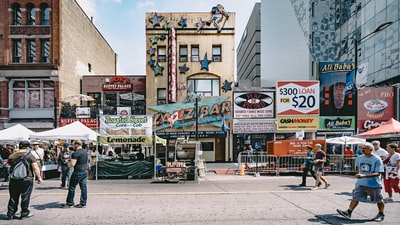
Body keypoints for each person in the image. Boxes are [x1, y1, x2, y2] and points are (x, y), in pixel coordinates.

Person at [337, 142, 385, 222]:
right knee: (355, 197)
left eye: (365, 148)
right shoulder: (359, 158)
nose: (362, 150)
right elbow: (358, 168)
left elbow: (378, 173)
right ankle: (349, 212)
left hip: (374, 184)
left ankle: (381, 214)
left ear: (370, 149)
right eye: (362, 148)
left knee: (378, 199)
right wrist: (358, 174)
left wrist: (364, 176)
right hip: (361, 183)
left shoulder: (377, 159)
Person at [6, 140, 43, 220]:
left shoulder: (12, 156)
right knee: (25, 196)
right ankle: (24, 213)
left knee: (13, 197)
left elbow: (9, 166)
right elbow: (35, 168)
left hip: (14, 179)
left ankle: (10, 214)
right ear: (27, 147)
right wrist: (39, 177)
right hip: (27, 178)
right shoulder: (30, 156)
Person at [61, 140, 88, 208]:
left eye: (73, 144)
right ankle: (83, 203)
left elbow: (72, 164)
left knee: (72, 187)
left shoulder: (75, 153)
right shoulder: (85, 152)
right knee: (83, 188)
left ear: (77, 144)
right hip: (84, 171)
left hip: (77, 172)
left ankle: (70, 203)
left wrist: (68, 163)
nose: (72, 146)